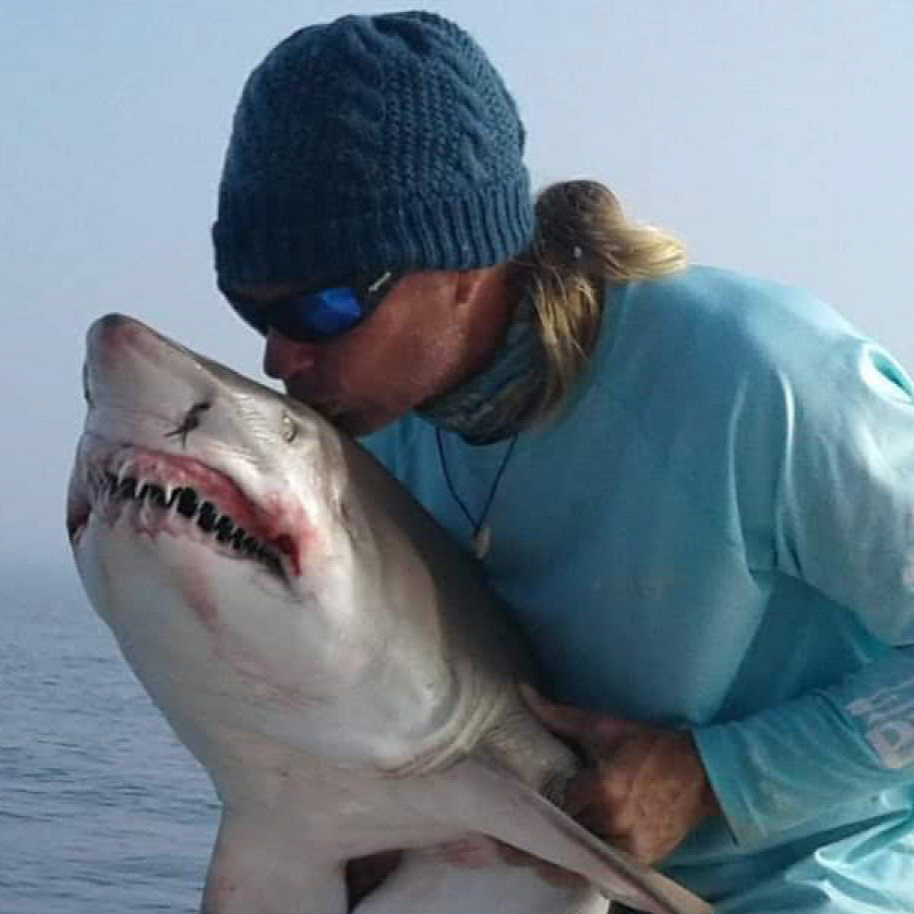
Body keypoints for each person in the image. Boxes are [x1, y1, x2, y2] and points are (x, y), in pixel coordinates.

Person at [212, 10, 914, 913]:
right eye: (249, 310)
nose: (280, 359)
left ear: (463, 262)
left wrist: (714, 778)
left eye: (322, 309)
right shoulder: (373, 426)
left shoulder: (760, 378)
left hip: (823, 882)